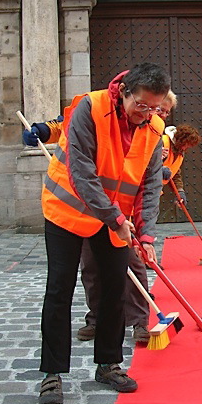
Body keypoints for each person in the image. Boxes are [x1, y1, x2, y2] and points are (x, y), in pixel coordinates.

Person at [37, 62, 171, 404]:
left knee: (116, 288)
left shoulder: (154, 129)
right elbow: (80, 170)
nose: (147, 114)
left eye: (155, 107)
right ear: (125, 91)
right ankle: (52, 373)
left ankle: (108, 364)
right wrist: (114, 217)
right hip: (67, 209)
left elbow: (149, 186)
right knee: (60, 287)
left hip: (112, 218)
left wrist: (147, 236)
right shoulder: (90, 108)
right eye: (141, 105)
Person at [24, 90, 179, 346]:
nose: (156, 115)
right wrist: (42, 130)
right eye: (155, 108)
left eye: (162, 111)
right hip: (80, 211)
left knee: (131, 267)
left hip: (120, 216)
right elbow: (65, 125)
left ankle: (140, 321)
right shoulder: (95, 111)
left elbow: (146, 183)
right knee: (90, 269)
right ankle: (95, 318)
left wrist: (143, 230)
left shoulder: (155, 133)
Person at [161, 123, 202, 208]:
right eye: (187, 144)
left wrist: (179, 191)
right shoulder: (162, 142)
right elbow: (145, 161)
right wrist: (159, 169)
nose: (187, 148)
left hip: (154, 190)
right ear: (182, 139)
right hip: (141, 187)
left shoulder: (180, 152)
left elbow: (175, 173)